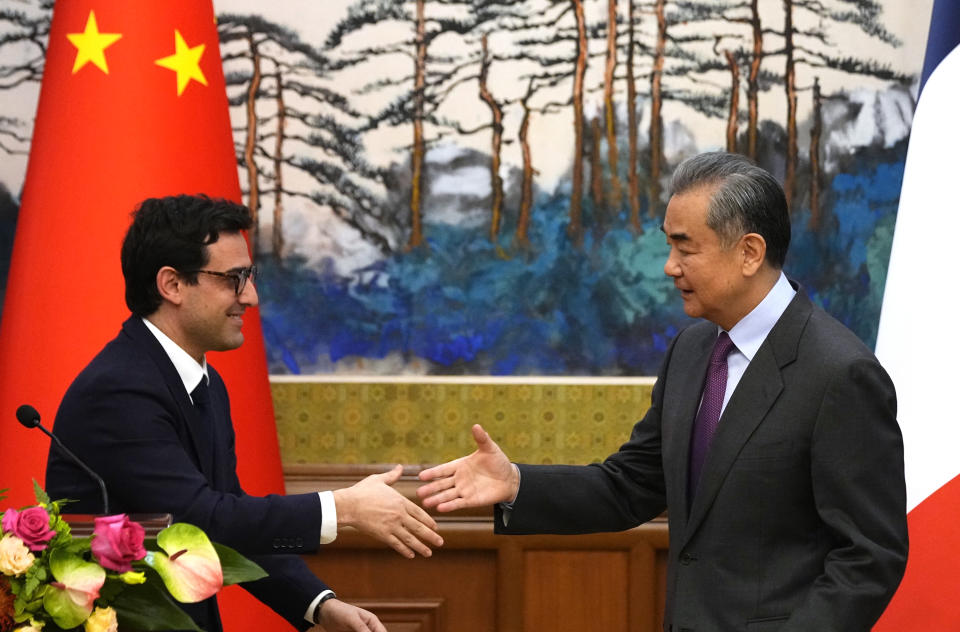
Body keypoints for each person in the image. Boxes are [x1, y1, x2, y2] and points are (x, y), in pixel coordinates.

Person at [418, 152, 908, 631]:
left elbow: (869, 557)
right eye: (668, 246)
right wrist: (518, 483)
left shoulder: (840, 373)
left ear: (749, 252)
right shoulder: (694, 349)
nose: (669, 266)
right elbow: (630, 486)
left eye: (685, 247)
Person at [46, 195, 444, 632]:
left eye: (248, 276)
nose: (250, 297)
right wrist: (341, 508)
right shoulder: (120, 388)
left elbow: (230, 517)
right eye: (234, 278)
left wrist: (319, 604)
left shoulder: (205, 384)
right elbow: (200, 520)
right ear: (172, 285)